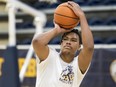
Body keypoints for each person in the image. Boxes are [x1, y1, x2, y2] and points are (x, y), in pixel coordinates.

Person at [32, 1, 94, 87]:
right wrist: (56, 30)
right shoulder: (49, 56)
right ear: (61, 43)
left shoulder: (78, 65)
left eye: (73, 40)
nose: (68, 42)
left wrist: (81, 16)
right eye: (65, 39)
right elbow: (36, 42)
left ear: (79, 46)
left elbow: (89, 47)